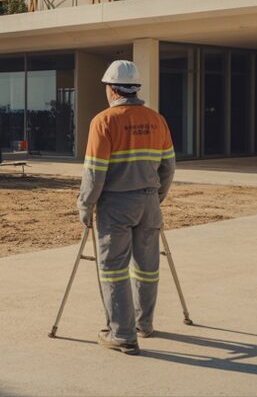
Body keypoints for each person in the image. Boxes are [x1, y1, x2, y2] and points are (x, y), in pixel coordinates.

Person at [78, 60, 176, 355]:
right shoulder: (157, 119)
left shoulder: (104, 121)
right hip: (149, 201)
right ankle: (144, 325)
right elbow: (168, 167)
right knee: (148, 267)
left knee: (114, 270)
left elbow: (94, 173)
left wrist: (85, 206)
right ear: (135, 89)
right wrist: (155, 198)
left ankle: (122, 334)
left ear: (111, 90)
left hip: (116, 205)